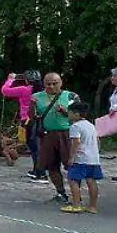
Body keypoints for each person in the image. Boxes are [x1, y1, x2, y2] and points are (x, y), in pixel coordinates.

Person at [32, 72, 78, 206]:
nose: (51, 86)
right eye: (48, 84)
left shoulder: (70, 96)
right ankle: (61, 192)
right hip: (47, 134)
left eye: (55, 83)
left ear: (61, 83)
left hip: (66, 133)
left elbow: (80, 115)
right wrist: (32, 106)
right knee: (51, 165)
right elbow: (32, 117)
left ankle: (76, 194)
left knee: (71, 164)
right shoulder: (36, 97)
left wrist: (65, 112)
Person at [61, 102, 103, 214]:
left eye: (69, 112)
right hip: (93, 159)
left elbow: (76, 142)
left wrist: (71, 157)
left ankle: (76, 205)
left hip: (81, 159)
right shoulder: (91, 125)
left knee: (72, 179)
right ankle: (93, 206)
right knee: (91, 180)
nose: (68, 115)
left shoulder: (75, 126)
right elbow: (98, 141)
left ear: (76, 114)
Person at [1, 71, 42, 178]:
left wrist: (10, 79)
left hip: (28, 120)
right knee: (39, 146)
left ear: (27, 80)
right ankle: (38, 169)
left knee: (33, 147)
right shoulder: (45, 92)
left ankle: (39, 171)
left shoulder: (25, 89)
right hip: (43, 121)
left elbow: (5, 91)